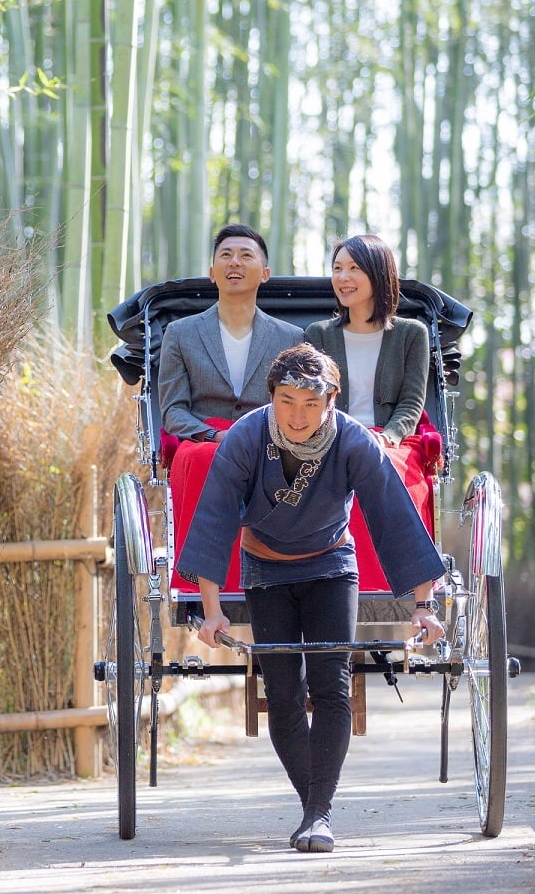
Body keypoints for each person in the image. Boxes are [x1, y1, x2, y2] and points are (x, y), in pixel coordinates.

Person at [176, 344, 447, 854]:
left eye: (310, 402)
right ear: (270, 398)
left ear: (331, 401)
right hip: (266, 568)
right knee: (282, 689)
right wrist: (210, 611)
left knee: (331, 685)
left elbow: (394, 517)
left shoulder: (352, 440)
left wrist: (424, 605)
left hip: (330, 565)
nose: (297, 415)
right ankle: (315, 809)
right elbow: (213, 519)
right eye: (286, 401)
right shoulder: (246, 437)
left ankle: (317, 814)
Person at [158, 223, 305, 446]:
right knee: (203, 457)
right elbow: (173, 410)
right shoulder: (180, 333)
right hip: (203, 443)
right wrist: (212, 436)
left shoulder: (291, 338)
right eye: (225, 255)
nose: (234, 262)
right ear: (212, 273)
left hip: (268, 443)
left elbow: (295, 406)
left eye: (246, 255)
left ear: (265, 274)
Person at [303, 235, 429, 446]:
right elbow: (310, 400)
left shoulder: (412, 334)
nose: (343, 277)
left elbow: (411, 402)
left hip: (390, 442)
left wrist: (388, 437)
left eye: (354, 268)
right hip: (331, 441)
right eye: (337, 268)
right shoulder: (318, 334)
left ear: (378, 274)